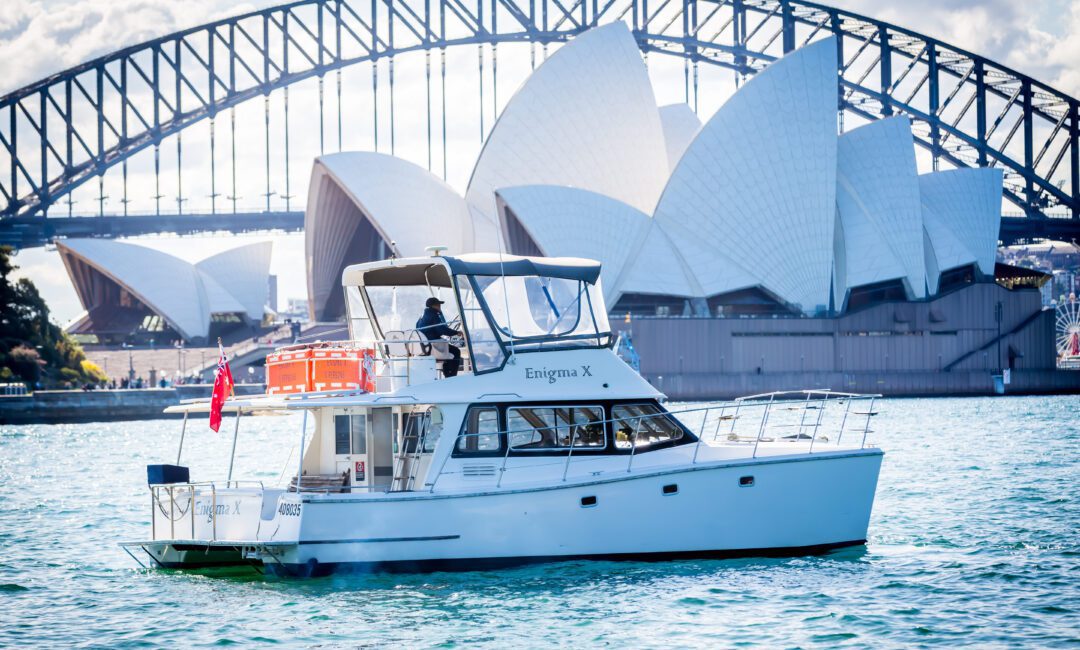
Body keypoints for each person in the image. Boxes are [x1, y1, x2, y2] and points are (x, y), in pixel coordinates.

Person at [415, 297, 462, 377]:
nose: (440, 306)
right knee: (456, 351)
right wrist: (456, 332)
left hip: (424, 346)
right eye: (438, 304)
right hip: (433, 346)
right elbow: (442, 330)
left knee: (449, 351)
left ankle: (447, 374)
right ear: (433, 306)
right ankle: (451, 376)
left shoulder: (422, 316)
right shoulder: (433, 314)